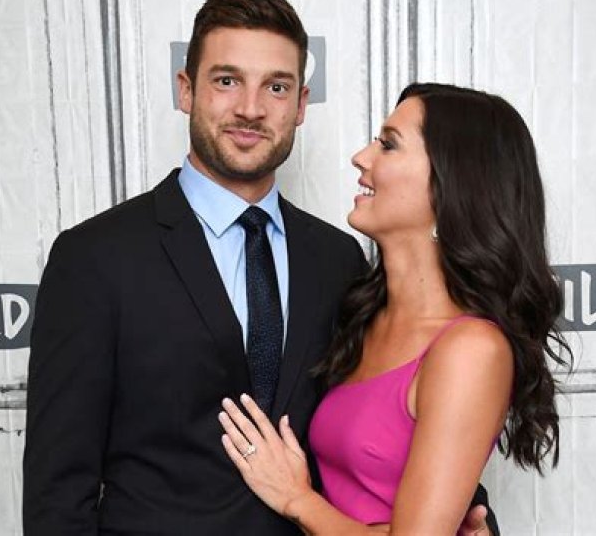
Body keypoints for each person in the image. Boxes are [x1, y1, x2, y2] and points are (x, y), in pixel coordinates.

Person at [22, 0, 496, 535]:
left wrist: (469, 522)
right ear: (186, 90)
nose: (251, 108)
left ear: (301, 105)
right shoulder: (95, 258)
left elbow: (401, 425)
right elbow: (58, 494)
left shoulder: (337, 258)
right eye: (227, 81)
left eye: (276, 87)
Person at [219, 83, 573, 534]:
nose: (361, 158)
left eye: (388, 145)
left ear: (450, 184)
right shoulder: (362, 310)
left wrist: (296, 499)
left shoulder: (471, 349)